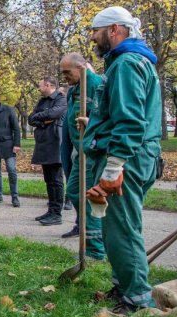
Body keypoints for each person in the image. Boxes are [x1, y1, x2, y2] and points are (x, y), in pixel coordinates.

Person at [83, 6, 162, 315]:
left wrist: (114, 167)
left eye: (95, 31)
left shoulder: (127, 64)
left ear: (113, 30)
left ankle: (136, 298)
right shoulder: (132, 61)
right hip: (135, 155)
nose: (92, 37)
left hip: (127, 158)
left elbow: (129, 121)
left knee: (123, 228)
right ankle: (124, 284)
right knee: (118, 226)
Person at [58, 53, 106, 261]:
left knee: (89, 196)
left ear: (82, 67)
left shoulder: (97, 84)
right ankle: (90, 236)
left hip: (94, 153)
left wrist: (91, 122)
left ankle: (96, 248)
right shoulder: (74, 90)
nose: (65, 77)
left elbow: (107, 116)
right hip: (80, 152)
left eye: (68, 72)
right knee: (75, 191)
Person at [28, 76, 67, 225]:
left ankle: (57, 213)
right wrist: (43, 120)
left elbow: (54, 114)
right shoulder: (42, 101)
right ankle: (51, 210)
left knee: (56, 180)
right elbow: (31, 119)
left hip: (56, 142)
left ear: (48, 85)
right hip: (44, 142)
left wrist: (40, 119)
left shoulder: (61, 99)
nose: (38, 88)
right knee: (48, 179)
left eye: (40, 85)